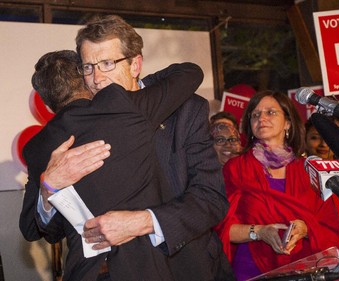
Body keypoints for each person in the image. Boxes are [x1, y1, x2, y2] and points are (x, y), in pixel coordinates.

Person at [20, 15, 234, 281]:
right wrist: (48, 186)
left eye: (108, 63)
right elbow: (47, 231)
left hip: (181, 267)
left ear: (135, 65)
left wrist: (142, 221)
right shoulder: (72, 131)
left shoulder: (186, 109)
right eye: (88, 67)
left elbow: (210, 199)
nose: (97, 78)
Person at [215, 90, 339, 280]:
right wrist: (258, 232)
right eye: (255, 114)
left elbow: (330, 228)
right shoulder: (236, 168)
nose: (261, 118)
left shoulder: (309, 170)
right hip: (252, 269)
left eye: (270, 112)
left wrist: (306, 229)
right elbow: (222, 227)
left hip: (305, 268)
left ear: (288, 123)